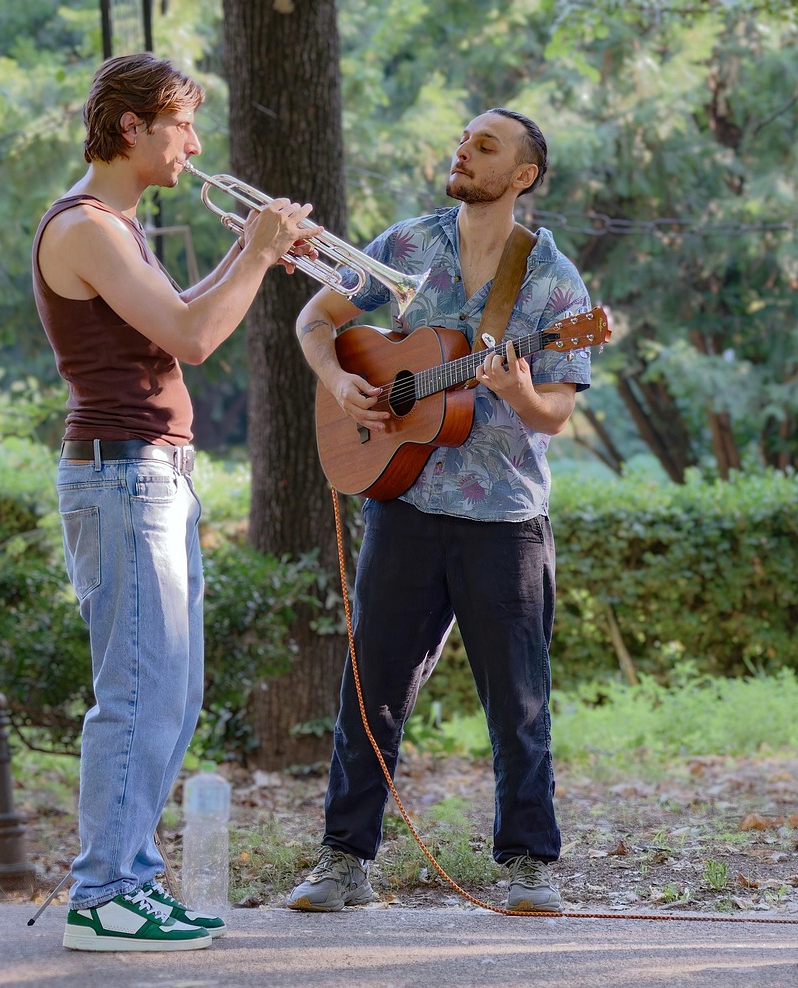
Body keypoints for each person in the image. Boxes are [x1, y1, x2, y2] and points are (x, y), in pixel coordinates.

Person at [32, 52, 318, 950]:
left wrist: (252, 252)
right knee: (138, 695)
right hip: (124, 477)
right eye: (181, 126)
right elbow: (195, 338)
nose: (194, 146)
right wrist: (259, 247)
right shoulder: (87, 226)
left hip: (151, 475)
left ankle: (133, 881)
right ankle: (103, 895)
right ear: (130, 129)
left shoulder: (119, 226)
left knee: (174, 696)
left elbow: (179, 317)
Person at [288, 108, 592, 913]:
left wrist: (515, 387)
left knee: (519, 700)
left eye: (485, 145)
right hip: (406, 501)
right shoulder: (405, 246)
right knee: (371, 688)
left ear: (523, 175)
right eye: (464, 138)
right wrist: (340, 380)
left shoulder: (555, 280)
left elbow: (555, 409)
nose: (464, 150)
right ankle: (343, 860)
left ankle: (528, 862)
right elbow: (316, 320)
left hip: (505, 517)